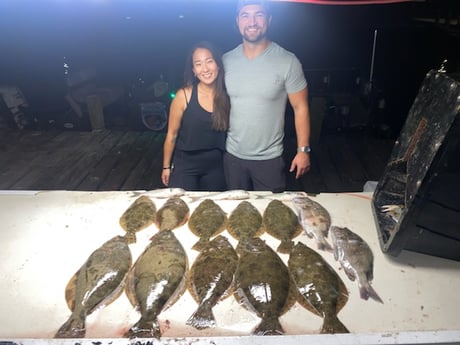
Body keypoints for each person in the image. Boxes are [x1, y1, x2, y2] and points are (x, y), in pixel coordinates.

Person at [223, 0, 311, 192]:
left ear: (269, 20)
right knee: (236, 213)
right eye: (245, 15)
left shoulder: (288, 61)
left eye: (259, 15)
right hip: (233, 156)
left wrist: (303, 150)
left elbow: (300, 107)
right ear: (237, 21)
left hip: (269, 159)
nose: (252, 21)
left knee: (272, 215)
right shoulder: (226, 60)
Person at [161, 41, 230, 191]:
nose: (205, 69)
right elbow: (171, 135)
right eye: (198, 64)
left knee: (213, 211)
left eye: (209, 61)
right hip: (186, 165)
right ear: (193, 70)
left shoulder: (228, 95)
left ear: (218, 64)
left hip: (216, 166)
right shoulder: (183, 96)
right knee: (180, 207)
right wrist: (166, 167)